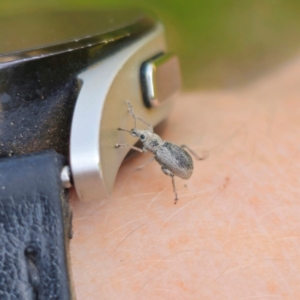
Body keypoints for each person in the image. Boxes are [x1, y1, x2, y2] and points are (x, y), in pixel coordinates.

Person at [69, 57, 300, 299]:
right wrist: (130, 118)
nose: (142, 136)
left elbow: (143, 146)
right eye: (141, 136)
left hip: (178, 163)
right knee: (163, 150)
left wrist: (127, 136)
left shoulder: (154, 148)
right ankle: (191, 165)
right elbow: (143, 133)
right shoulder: (155, 143)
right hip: (172, 153)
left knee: (165, 168)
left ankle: (178, 188)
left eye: (143, 136)